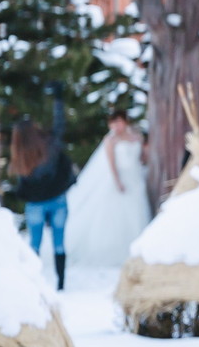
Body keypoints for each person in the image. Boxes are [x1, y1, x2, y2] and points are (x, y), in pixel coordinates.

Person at [64, 110, 151, 269]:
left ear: (125, 121)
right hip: (120, 178)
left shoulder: (137, 137)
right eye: (113, 123)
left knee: (136, 211)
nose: (116, 126)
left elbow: (141, 159)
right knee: (117, 215)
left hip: (136, 178)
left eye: (119, 122)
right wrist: (117, 181)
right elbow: (111, 163)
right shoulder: (110, 140)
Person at [10, 117, 76, 291]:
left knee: (34, 244)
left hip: (35, 205)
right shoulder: (49, 149)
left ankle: (35, 280)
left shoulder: (20, 157)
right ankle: (61, 284)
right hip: (57, 201)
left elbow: (23, 184)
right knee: (59, 243)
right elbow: (60, 126)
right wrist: (58, 96)